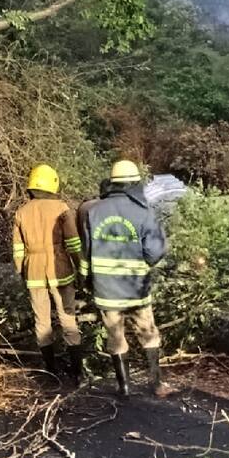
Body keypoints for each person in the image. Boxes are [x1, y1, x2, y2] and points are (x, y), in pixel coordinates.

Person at [79, 160, 173, 398]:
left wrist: (85, 280)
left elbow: (86, 252)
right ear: (134, 184)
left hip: (106, 290)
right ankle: (156, 384)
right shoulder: (143, 212)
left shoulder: (93, 212)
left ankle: (125, 388)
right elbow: (155, 252)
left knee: (116, 338)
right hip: (136, 288)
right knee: (148, 333)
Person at [12, 163, 84, 386]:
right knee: (67, 318)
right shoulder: (61, 208)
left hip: (33, 272)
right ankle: (78, 373)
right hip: (60, 269)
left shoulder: (21, 212)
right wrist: (80, 268)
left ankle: (51, 372)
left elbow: (18, 249)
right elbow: (73, 243)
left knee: (42, 322)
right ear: (53, 185)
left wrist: (21, 271)